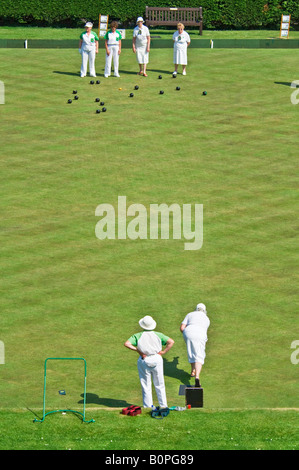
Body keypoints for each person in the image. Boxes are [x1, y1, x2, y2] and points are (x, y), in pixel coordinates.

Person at [124, 315, 174, 408]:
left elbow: (127, 343)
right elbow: (171, 342)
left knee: (145, 384)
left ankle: (147, 406)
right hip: (157, 358)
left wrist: (138, 350)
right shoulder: (158, 335)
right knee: (160, 384)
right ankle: (163, 406)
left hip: (144, 359)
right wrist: (163, 352)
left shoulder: (138, 335)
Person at [180, 303, 210, 387]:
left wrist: (186, 334)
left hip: (188, 332)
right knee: (199, 355)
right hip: (200, 334)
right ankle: (197, 376)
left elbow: (182, 327)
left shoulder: (190, 314)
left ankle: (193, 370)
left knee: (191, 352)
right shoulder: (207, 319)